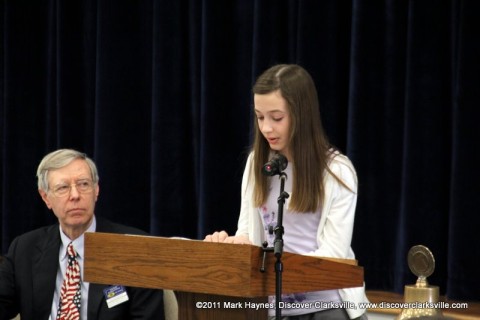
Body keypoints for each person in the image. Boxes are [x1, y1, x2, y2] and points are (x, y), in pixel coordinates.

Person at [205, 64, 369, 319]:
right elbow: (248, 234)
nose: (267, 128)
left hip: (327, 307)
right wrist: (231, 246)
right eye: (260, 117)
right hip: (272, 307)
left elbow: (334, 258)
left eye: (277, 117)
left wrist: (271, 267)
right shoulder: (256, 163)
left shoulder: (337, 171)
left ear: (301, 114)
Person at [0, 149, 165, 320]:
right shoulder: (24, 248)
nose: (75, 195)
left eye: (83, 184)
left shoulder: (136, 249)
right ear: (46, 198)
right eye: (63, 187)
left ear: (96, 190)